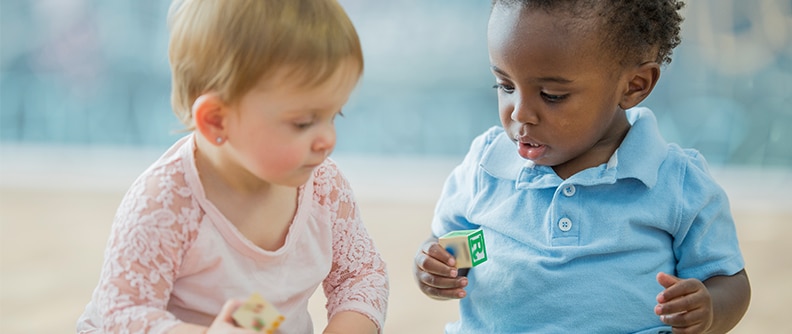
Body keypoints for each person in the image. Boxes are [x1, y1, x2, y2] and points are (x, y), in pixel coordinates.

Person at [413, 0, 751, 333]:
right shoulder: (487, 165)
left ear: (634, 86)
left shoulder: (676, 182)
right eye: (506, 86)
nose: (519, 113)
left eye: (552, 95)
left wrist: (708, 309)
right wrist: (439, 267)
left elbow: (728, 280)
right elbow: (461, 245)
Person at [77, 0, 388, 333]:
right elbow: (122, 310)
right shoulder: (165, 202)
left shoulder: (325, 188)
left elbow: (361, 277)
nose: (328, 139)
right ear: (216, 121)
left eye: (334, 115)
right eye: (303, 123)